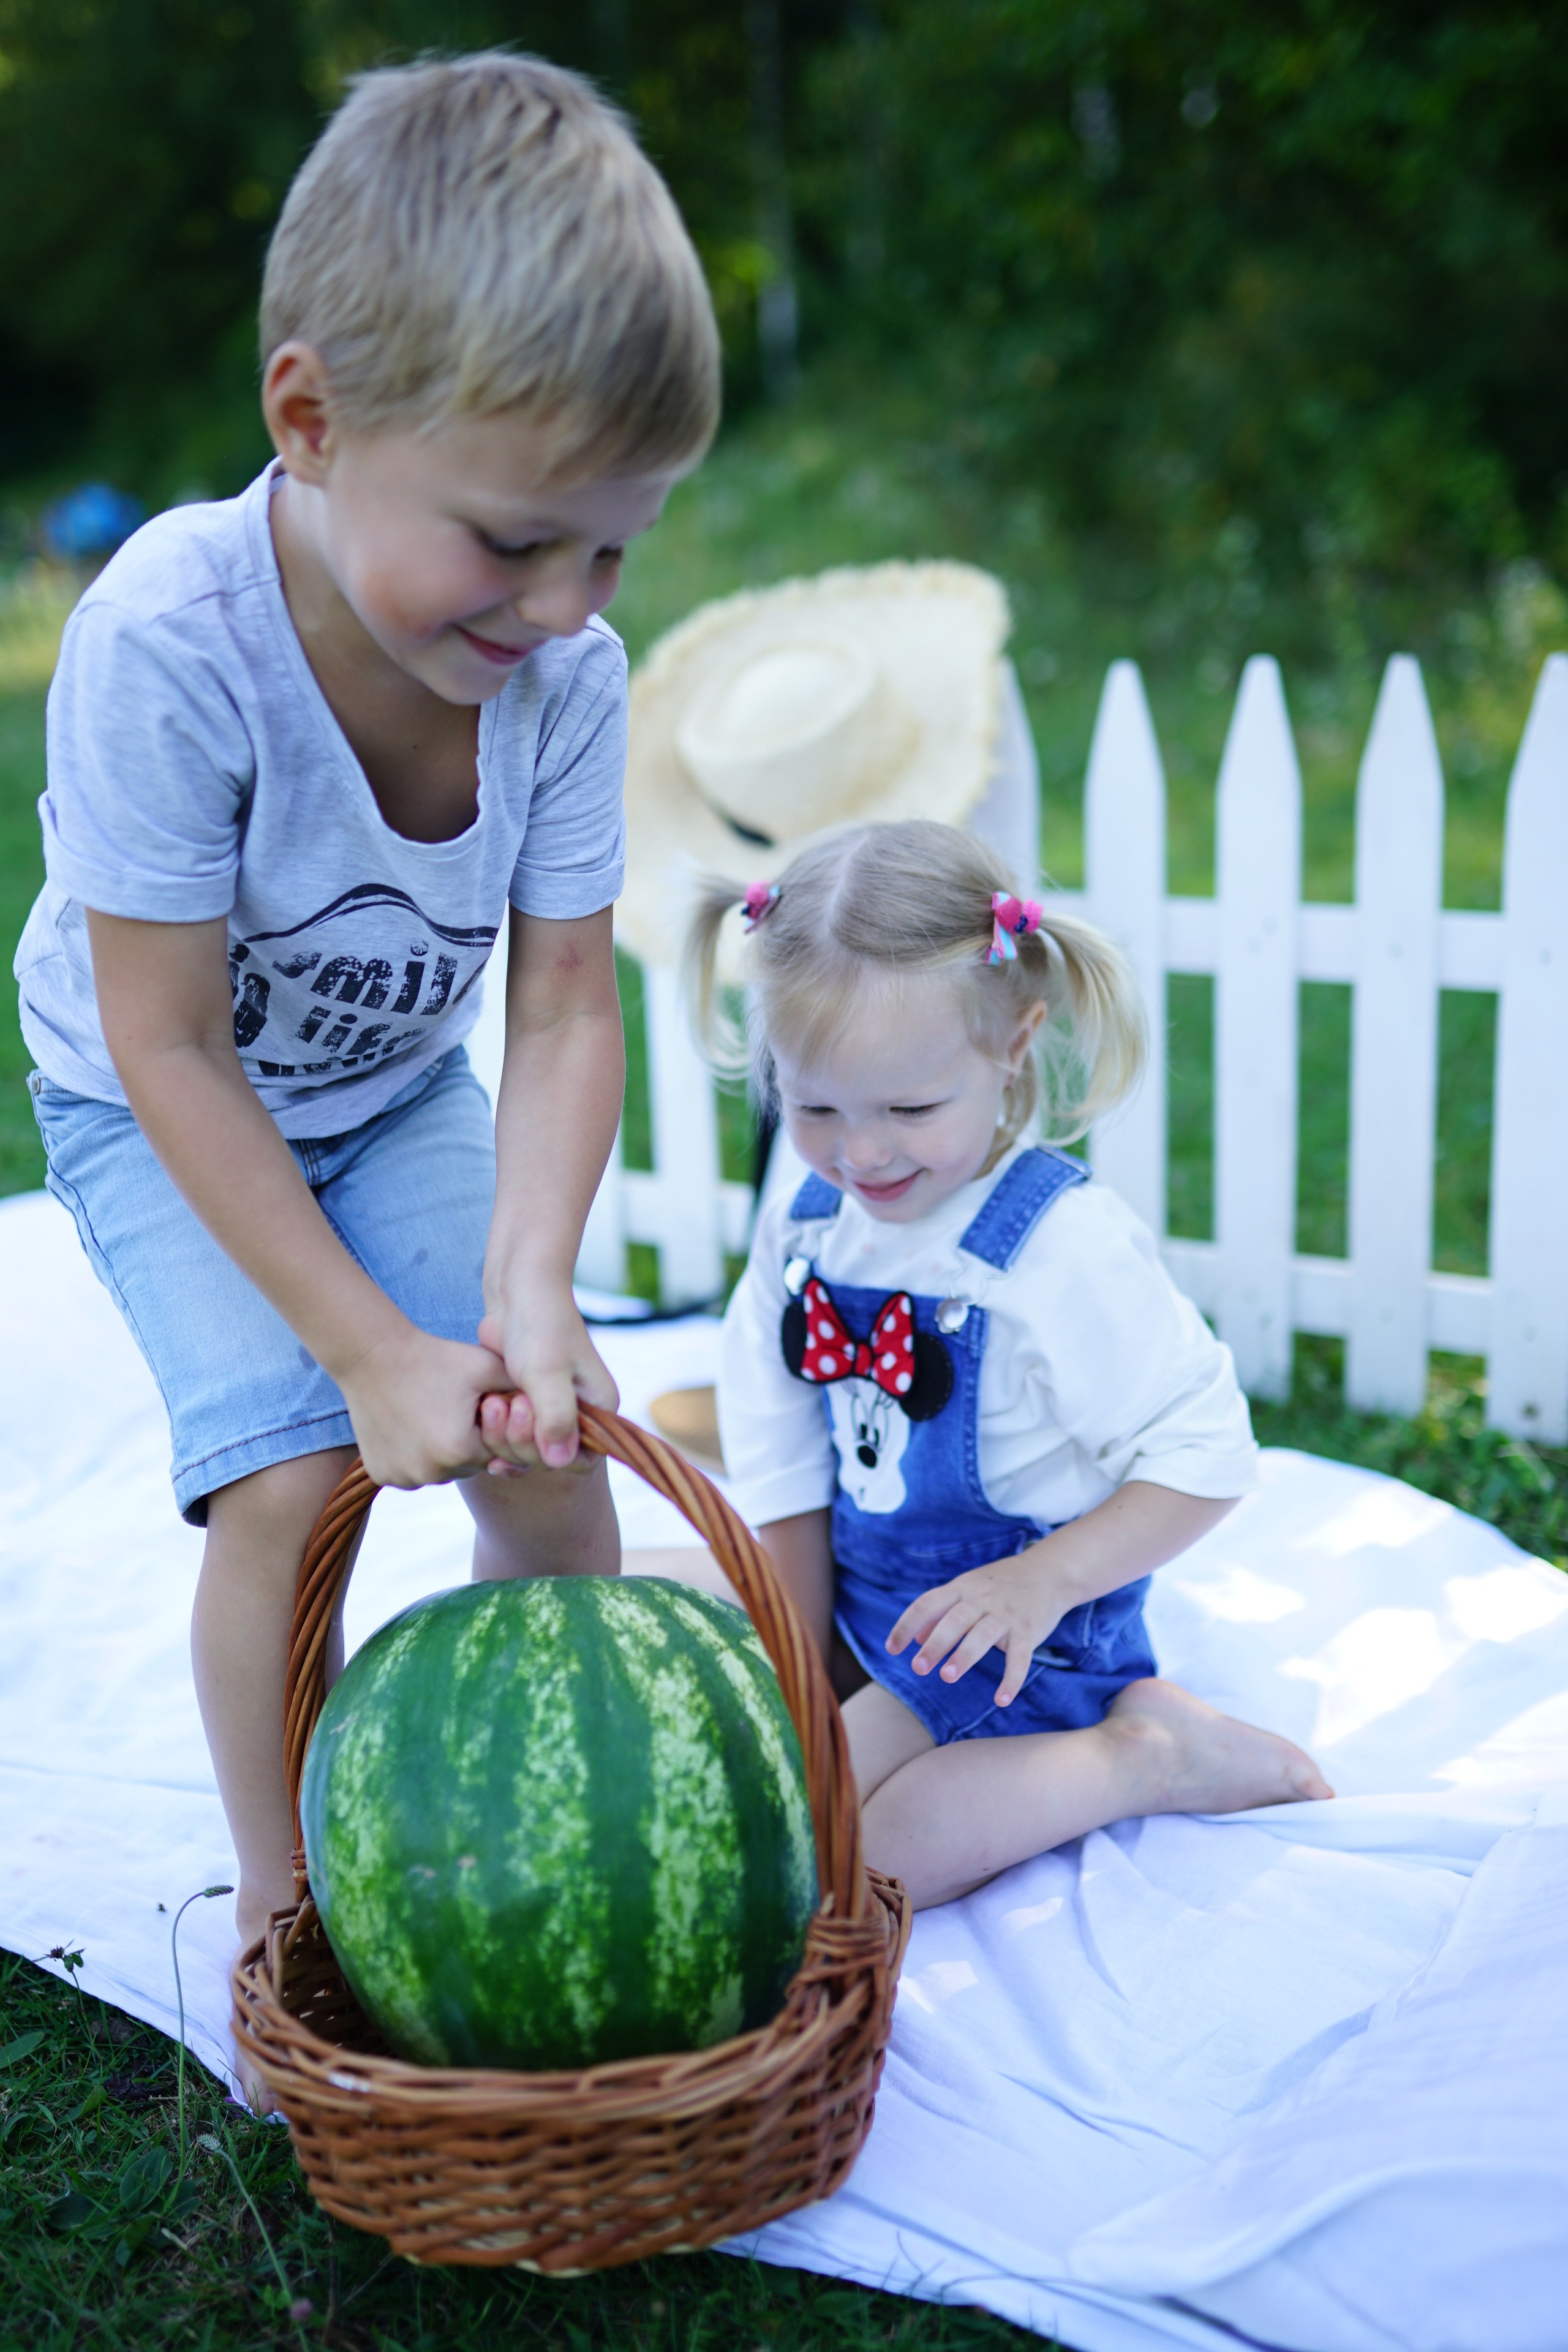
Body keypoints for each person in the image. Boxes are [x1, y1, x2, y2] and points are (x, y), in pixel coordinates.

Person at [13, 53, 720, 2018]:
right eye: (514, 541)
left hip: (396, 1091)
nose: (568, 607)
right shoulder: (171, 636)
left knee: (547, 1452)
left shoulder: (564, 676)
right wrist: (360, 1349)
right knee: (289, 1483)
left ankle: (558, 1819)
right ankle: (286, 1883)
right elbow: (164, 1045)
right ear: (311, 420)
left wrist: (522, 1289)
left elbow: (566, 998)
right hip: (160, 1107)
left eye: (617, 547)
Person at [687, 821, 1332, 1911]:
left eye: (910, 1108)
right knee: (663, 1606)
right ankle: (856, 1715)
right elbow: (780, 1454)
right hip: (869, 1610)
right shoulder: (807, 1225)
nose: (862, 1153)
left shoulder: (1056, 1249)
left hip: (1024, 1642)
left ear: (1014, 1046)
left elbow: (1208, 1454)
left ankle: (1142, 1754)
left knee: (850, 1863)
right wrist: (798, 1674)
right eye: (815, 1108)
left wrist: (1041, 1583)